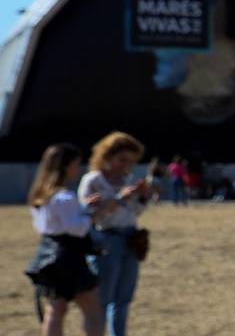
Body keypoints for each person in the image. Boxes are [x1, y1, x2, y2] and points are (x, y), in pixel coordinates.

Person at [25, 143, 106, 336]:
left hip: (48, 254)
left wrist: (83, 207)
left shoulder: (41, 196)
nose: (78, 169)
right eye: (76, 164)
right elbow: (77, 229)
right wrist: (96, 213)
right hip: (69, 256)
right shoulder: (65, 196)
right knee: (94, 312)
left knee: (55, 310)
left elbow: (58, 222)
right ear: (66, 166)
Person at [80, 131, 149, 336]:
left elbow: (135, 212)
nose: (126, 165)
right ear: (107, 156)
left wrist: (143, 198)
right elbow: (90, 216)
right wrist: (120, 197)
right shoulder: (93, 180)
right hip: (106, 239)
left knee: (124, 297)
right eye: (122, 159)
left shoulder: (128, 179)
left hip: (130, 237)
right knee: (103, 297)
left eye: (131, 161)